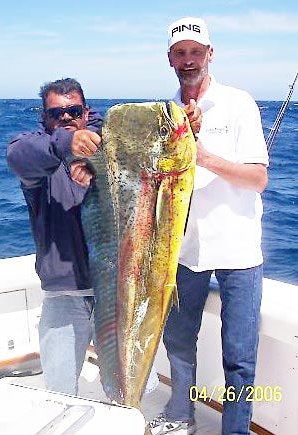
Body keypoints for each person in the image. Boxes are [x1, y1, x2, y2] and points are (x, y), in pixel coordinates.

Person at [150, 17, 269, 435]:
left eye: (195, 52)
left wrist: (201, 156)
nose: (188, 60)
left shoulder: (239, 103)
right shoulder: (165, 114)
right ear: (169, 59)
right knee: (178, 344)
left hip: (239, 255)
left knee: (239, 358)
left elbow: (258, 178)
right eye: (179, 53)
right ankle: (181, 413)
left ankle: (234, 430)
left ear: (209, 54)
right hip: (183, 252)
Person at [7, 78, 102, 395]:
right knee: (60, 394)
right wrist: (67, 145)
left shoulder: (104, 144)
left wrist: (92, 148)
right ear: (43, 118)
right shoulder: (38, 155)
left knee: (136, 387)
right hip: (64, 296)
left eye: (73, 111)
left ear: (85, 113)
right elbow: (18, 155)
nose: (65, 118)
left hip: (114, 292)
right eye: (55, 113)